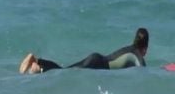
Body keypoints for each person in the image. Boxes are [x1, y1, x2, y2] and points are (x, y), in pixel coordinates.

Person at [19, 28, 149, 74]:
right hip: (96, 64)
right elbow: (143, 71)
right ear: (145, 47)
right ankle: (37, 64)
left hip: (96, 60)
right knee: (65, 73)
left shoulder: (130, 49)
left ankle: (38, 64)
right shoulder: (136, 55)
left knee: (65, 71)